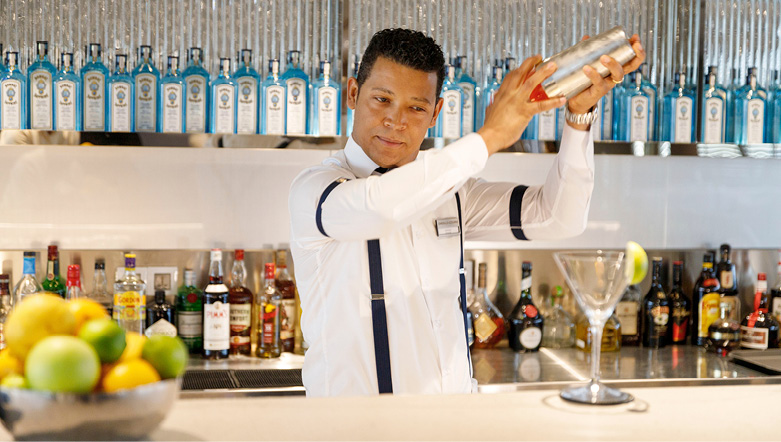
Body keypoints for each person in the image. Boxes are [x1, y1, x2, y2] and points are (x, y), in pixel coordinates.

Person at [289, 28, 645, 397]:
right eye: (381, 99)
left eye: (416, 107)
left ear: (435, 113)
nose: (396, 121)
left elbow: (560, 217)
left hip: (455, 423)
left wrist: (579, 116)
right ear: (352, 94)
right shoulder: (317, 191)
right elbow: (379, 208)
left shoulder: (452, 193)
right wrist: (489, 137)